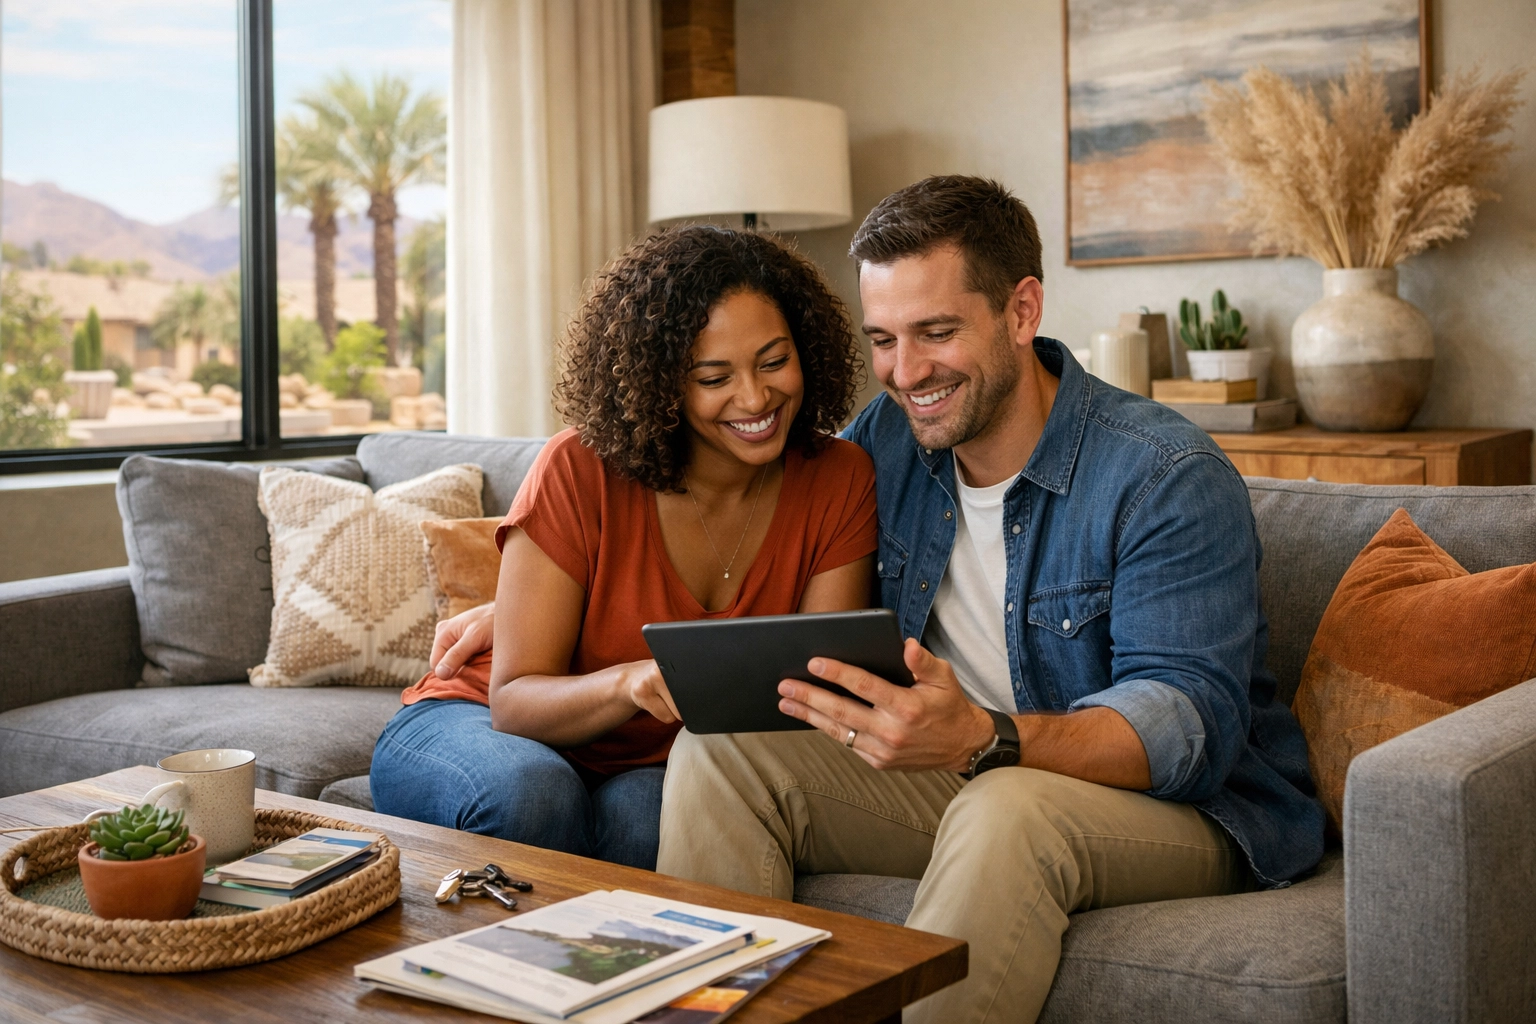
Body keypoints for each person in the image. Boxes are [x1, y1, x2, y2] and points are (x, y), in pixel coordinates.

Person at [655, 177, 1326, 1022]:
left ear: (1021, 310)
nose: (907, 372)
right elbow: (749, 532)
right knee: (720, 753)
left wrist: (985, 737)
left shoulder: (1163, 474)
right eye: (885, 340)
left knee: (1008, 805)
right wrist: (525, 611)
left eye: (937, 332)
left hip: (1185, 810)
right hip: (964, 770)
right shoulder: (885, 441)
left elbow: (1185, 726)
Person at [370, 226, 878, 870]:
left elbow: (814, 694)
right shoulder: (579, 468)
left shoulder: (840, 477)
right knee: (536, 795)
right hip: (476, 724)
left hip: (656, 757)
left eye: (774, 362)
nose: (754, 398)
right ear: (661, 382)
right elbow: (516, 700)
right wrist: (630, 682)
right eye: (713, 376)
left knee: (655, 823)